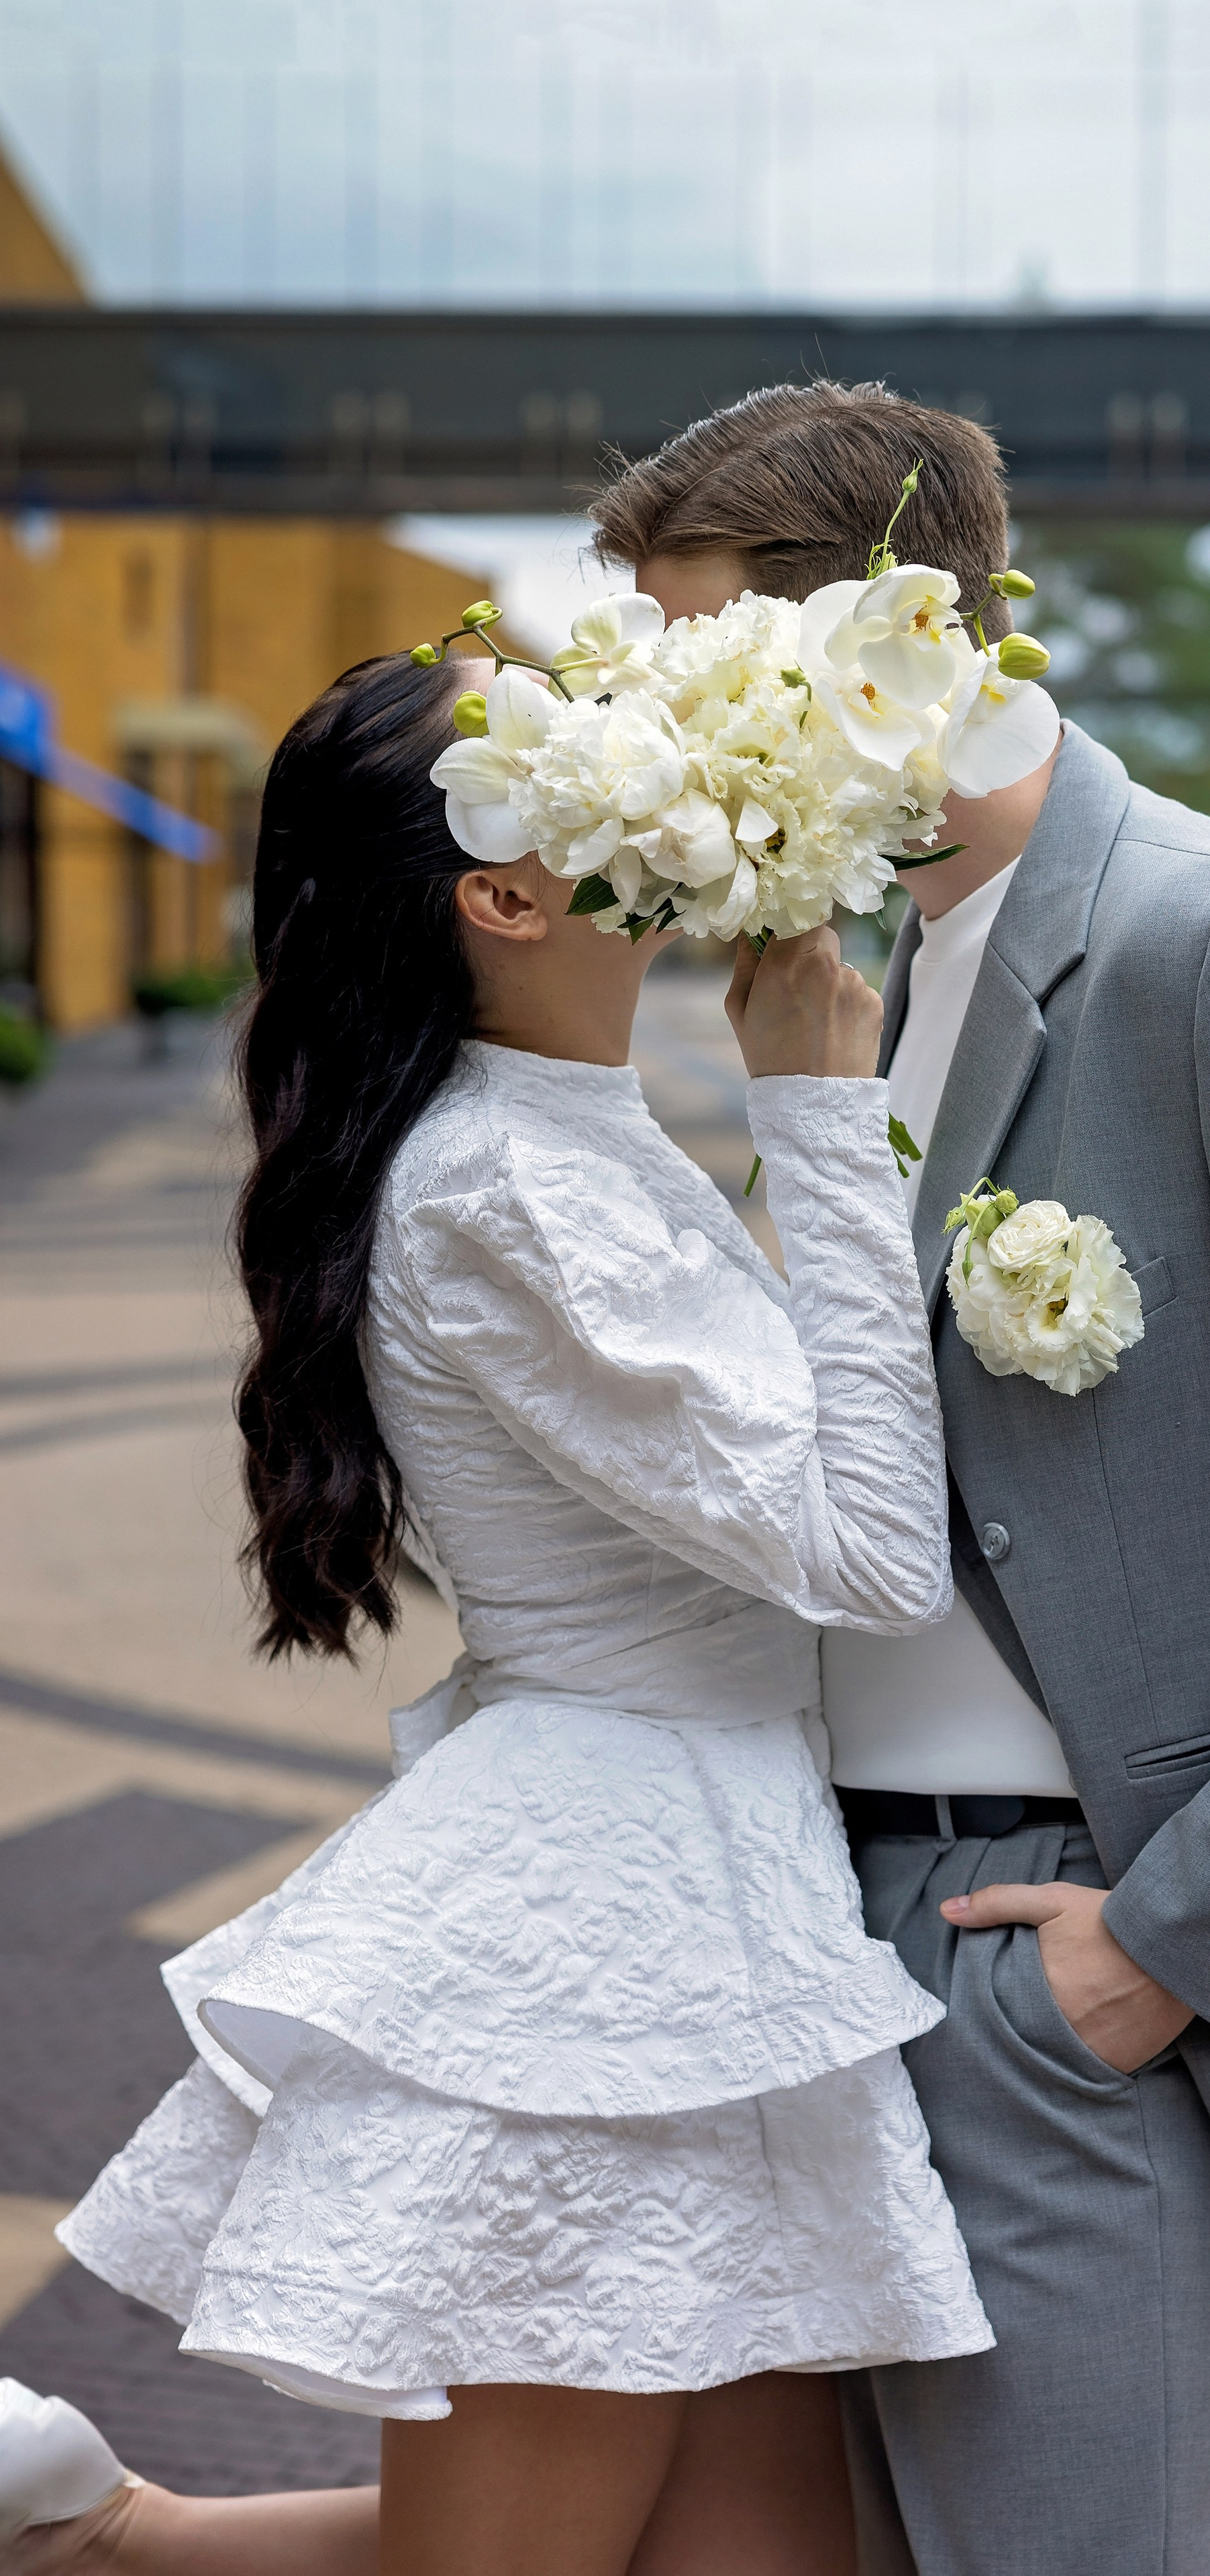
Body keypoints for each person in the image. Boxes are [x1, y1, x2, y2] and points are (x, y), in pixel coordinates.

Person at [589, 378, 1210, 2576]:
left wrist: (1163, 1950)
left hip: (1056, 1958)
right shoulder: (862, 977)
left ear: (893, 643)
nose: (658, 731)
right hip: (819, 1943)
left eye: (696, 665)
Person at [0, 648, 992, 2576]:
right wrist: (821, 1115)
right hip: (596, 1936)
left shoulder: (553, 1130)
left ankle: (95, 2531)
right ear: (508, 893)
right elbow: (869, 1556)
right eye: (595, 738)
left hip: (705, 1888)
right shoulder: (503, 1188)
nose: (664, 743)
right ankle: (101, 2537)